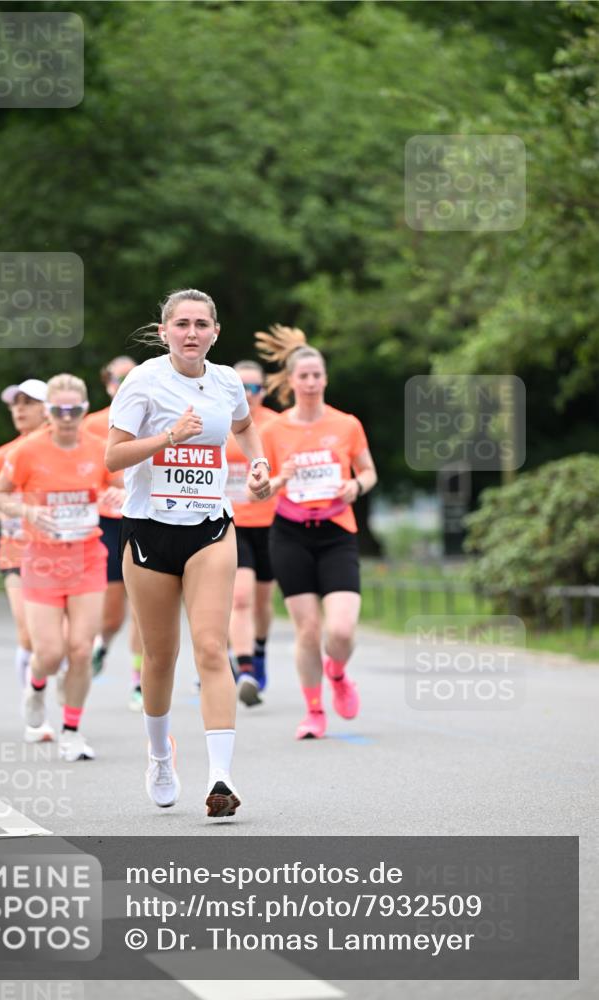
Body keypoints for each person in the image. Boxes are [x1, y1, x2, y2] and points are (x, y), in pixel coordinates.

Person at [105, 288, 271, 818]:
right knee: (160, 657)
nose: (191, 333)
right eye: (182, 324)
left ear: (215, 332)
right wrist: (168, 438)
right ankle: (160, 757)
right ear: (164, 332)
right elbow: (113, 457)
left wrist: (259, 464)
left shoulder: (226, 382)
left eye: (201, 324)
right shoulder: (143, 381)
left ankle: (221, 778)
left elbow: (244, 427)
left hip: (209, 527)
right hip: (150, 530)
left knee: (211, 648)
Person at [256, 325, 377, 740]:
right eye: (303, 376)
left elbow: (369, 471)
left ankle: (338, 674)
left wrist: (355, 486)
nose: (310, 382)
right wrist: (280, 479)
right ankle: (313, 711)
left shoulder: (347, 424)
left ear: (325, 379)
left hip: (336, 532)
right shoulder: (272, 431)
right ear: (291, 381)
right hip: (290, 534)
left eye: (317, 375)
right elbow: (258, 490)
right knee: (308, 629)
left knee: (341, 630)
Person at [0, 374, 112, 761]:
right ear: (48, 412)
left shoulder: (99, 448)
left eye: (74, 410)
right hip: (42, 560)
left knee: (81, 649)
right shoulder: (28, 451)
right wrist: (27, 511)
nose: (67, 418)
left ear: (85, 410)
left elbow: (121, 486)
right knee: (50, 652)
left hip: (87, 558)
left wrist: (116, 494)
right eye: (59, 411)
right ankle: (37, 685)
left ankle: (72, 731)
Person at [0, 379, 48, 689]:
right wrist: (4, 512)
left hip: (63, 553)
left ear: (48, 409)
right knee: (27, 633)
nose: (19, 409)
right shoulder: (3, 455)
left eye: (28, 403)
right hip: (16, 552)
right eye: (15, 403)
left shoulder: (65, 450)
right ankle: (33, 700)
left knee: (63, 638)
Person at [84, 356, 144, 710]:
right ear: (107, 384)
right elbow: (80, 473)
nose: (123, 385)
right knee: (112, 614)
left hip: (144, 518)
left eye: (129, 378)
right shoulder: (92, 425)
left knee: (143, 606)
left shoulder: (154, 416)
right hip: (106, 521)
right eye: (117, 379)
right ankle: (102, 645)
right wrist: (105, 491)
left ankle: (139, 681)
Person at [225, 361, 277, 706]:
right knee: (240, 597)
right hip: (231, 521)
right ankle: (244, 669)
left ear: (264, 391)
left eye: (254, 388)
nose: (248, 394)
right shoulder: (217, 421)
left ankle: (258, 651)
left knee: (262, 600)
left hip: (271, 523)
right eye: (241, 387)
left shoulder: (276, 425)